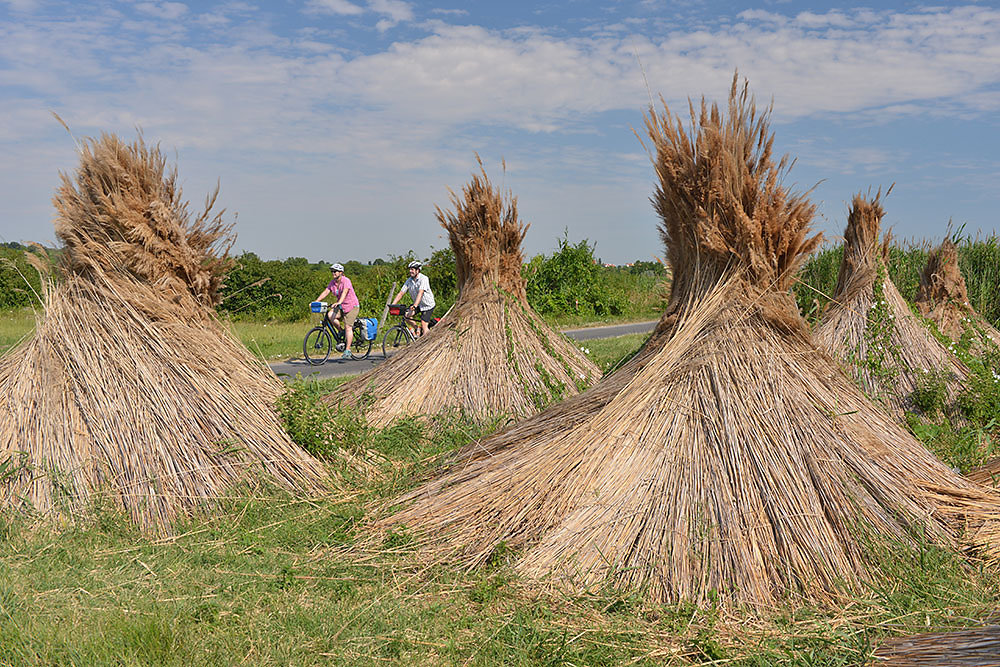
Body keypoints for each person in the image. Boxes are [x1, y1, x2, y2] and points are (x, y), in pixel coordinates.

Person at [314, 263, 360, 359]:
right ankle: (340, 331)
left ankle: (347, 350)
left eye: (335, 271)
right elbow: (326, 291)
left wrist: (339, 302)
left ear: (341, 272)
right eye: (332, 271)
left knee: (348, 326)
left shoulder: (346, 281)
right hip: (341, 306)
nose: (333, 273)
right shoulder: (333, 283)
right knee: (330, 315)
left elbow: (345, 292)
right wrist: (316, 301)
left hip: (352, 306)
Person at [392, 260, 435, 337]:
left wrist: (415, 305)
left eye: (412, 269)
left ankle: (427, 343)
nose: (410, 271)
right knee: (406, 315)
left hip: (427, 305)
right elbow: (401, 293)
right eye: (410, 269)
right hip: (418, 304)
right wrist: (393, 304)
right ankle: (417, 328)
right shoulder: (409, 280)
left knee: (424, 325)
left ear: (418, 270)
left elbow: (420, 293)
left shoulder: (424, 279)